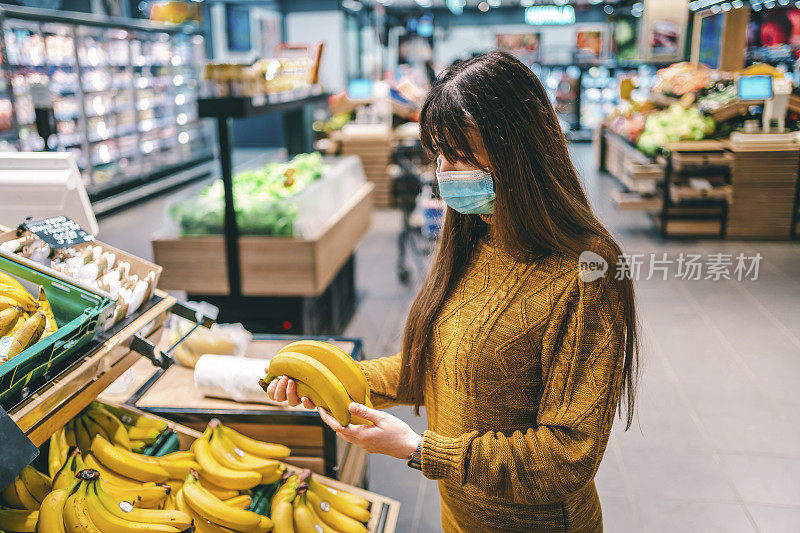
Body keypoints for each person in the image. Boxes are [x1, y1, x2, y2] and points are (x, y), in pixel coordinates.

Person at [266, 50, 638, 533]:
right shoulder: (474, 234)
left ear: (517, 151)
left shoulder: (587, 274)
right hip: (461, 517)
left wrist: (421, 449)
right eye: (439, 154)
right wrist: (339, 382)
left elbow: (566, 456)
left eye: (459, 153)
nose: (445, 170)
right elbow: (441, 362)